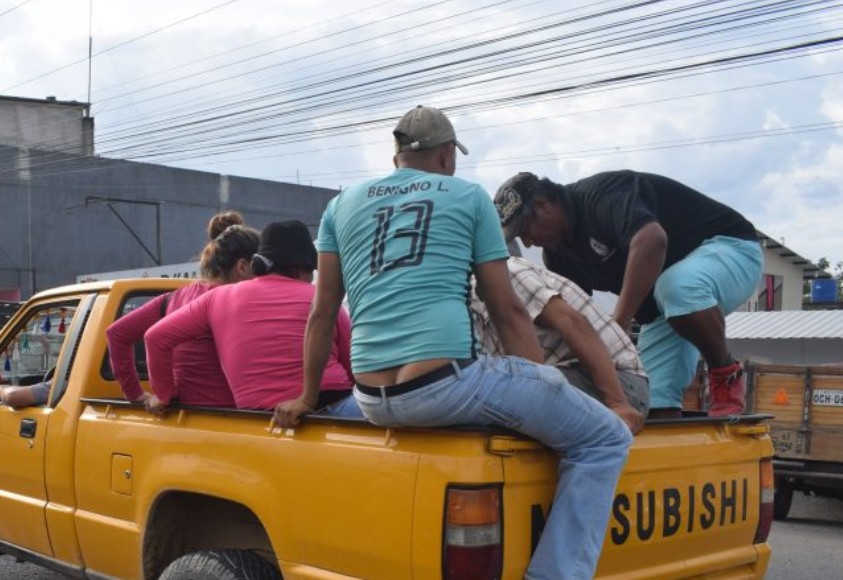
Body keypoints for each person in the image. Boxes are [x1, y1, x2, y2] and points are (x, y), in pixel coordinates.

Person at [274, 106, 632, 579]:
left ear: (397, 154)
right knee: (605, 438)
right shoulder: (468, 197)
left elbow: (322, 314)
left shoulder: (341, 205)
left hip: (374, 398)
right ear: (446, 156)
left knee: (386, 401)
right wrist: (540, 382)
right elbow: (505, 308)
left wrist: (306, 395)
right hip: (445, 386)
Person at [495, 170, 763, 418]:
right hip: (665, 309)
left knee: (678, 287)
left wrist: (618, 325)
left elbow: (652, 240)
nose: (528, 241)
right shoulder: (557, 256)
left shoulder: (600, 196)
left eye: (525, 229)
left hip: (730, 249)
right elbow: (578, 316)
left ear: (544, 205)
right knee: (647, 401)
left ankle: (724, 373)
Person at [146, 220, 360, 418]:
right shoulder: (321, 300)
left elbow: (155, 337)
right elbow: (353, 364)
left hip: (259, 416)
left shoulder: (216, 298)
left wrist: (164, 395)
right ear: (304, 268)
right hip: (336, 407)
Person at [469, 247, 649, 434]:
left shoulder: (507, 273)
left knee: (491, 397)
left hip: (619, 385)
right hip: (571, 377)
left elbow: (574, 323)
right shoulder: (470, 298)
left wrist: (618, 403)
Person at [106, 211, 259, 412]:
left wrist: (138, 393)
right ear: (242, 266)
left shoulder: (171, 299)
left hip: (180, 416)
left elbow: (117, 333)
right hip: (226, 418)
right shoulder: (235, 300)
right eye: (260, 267)